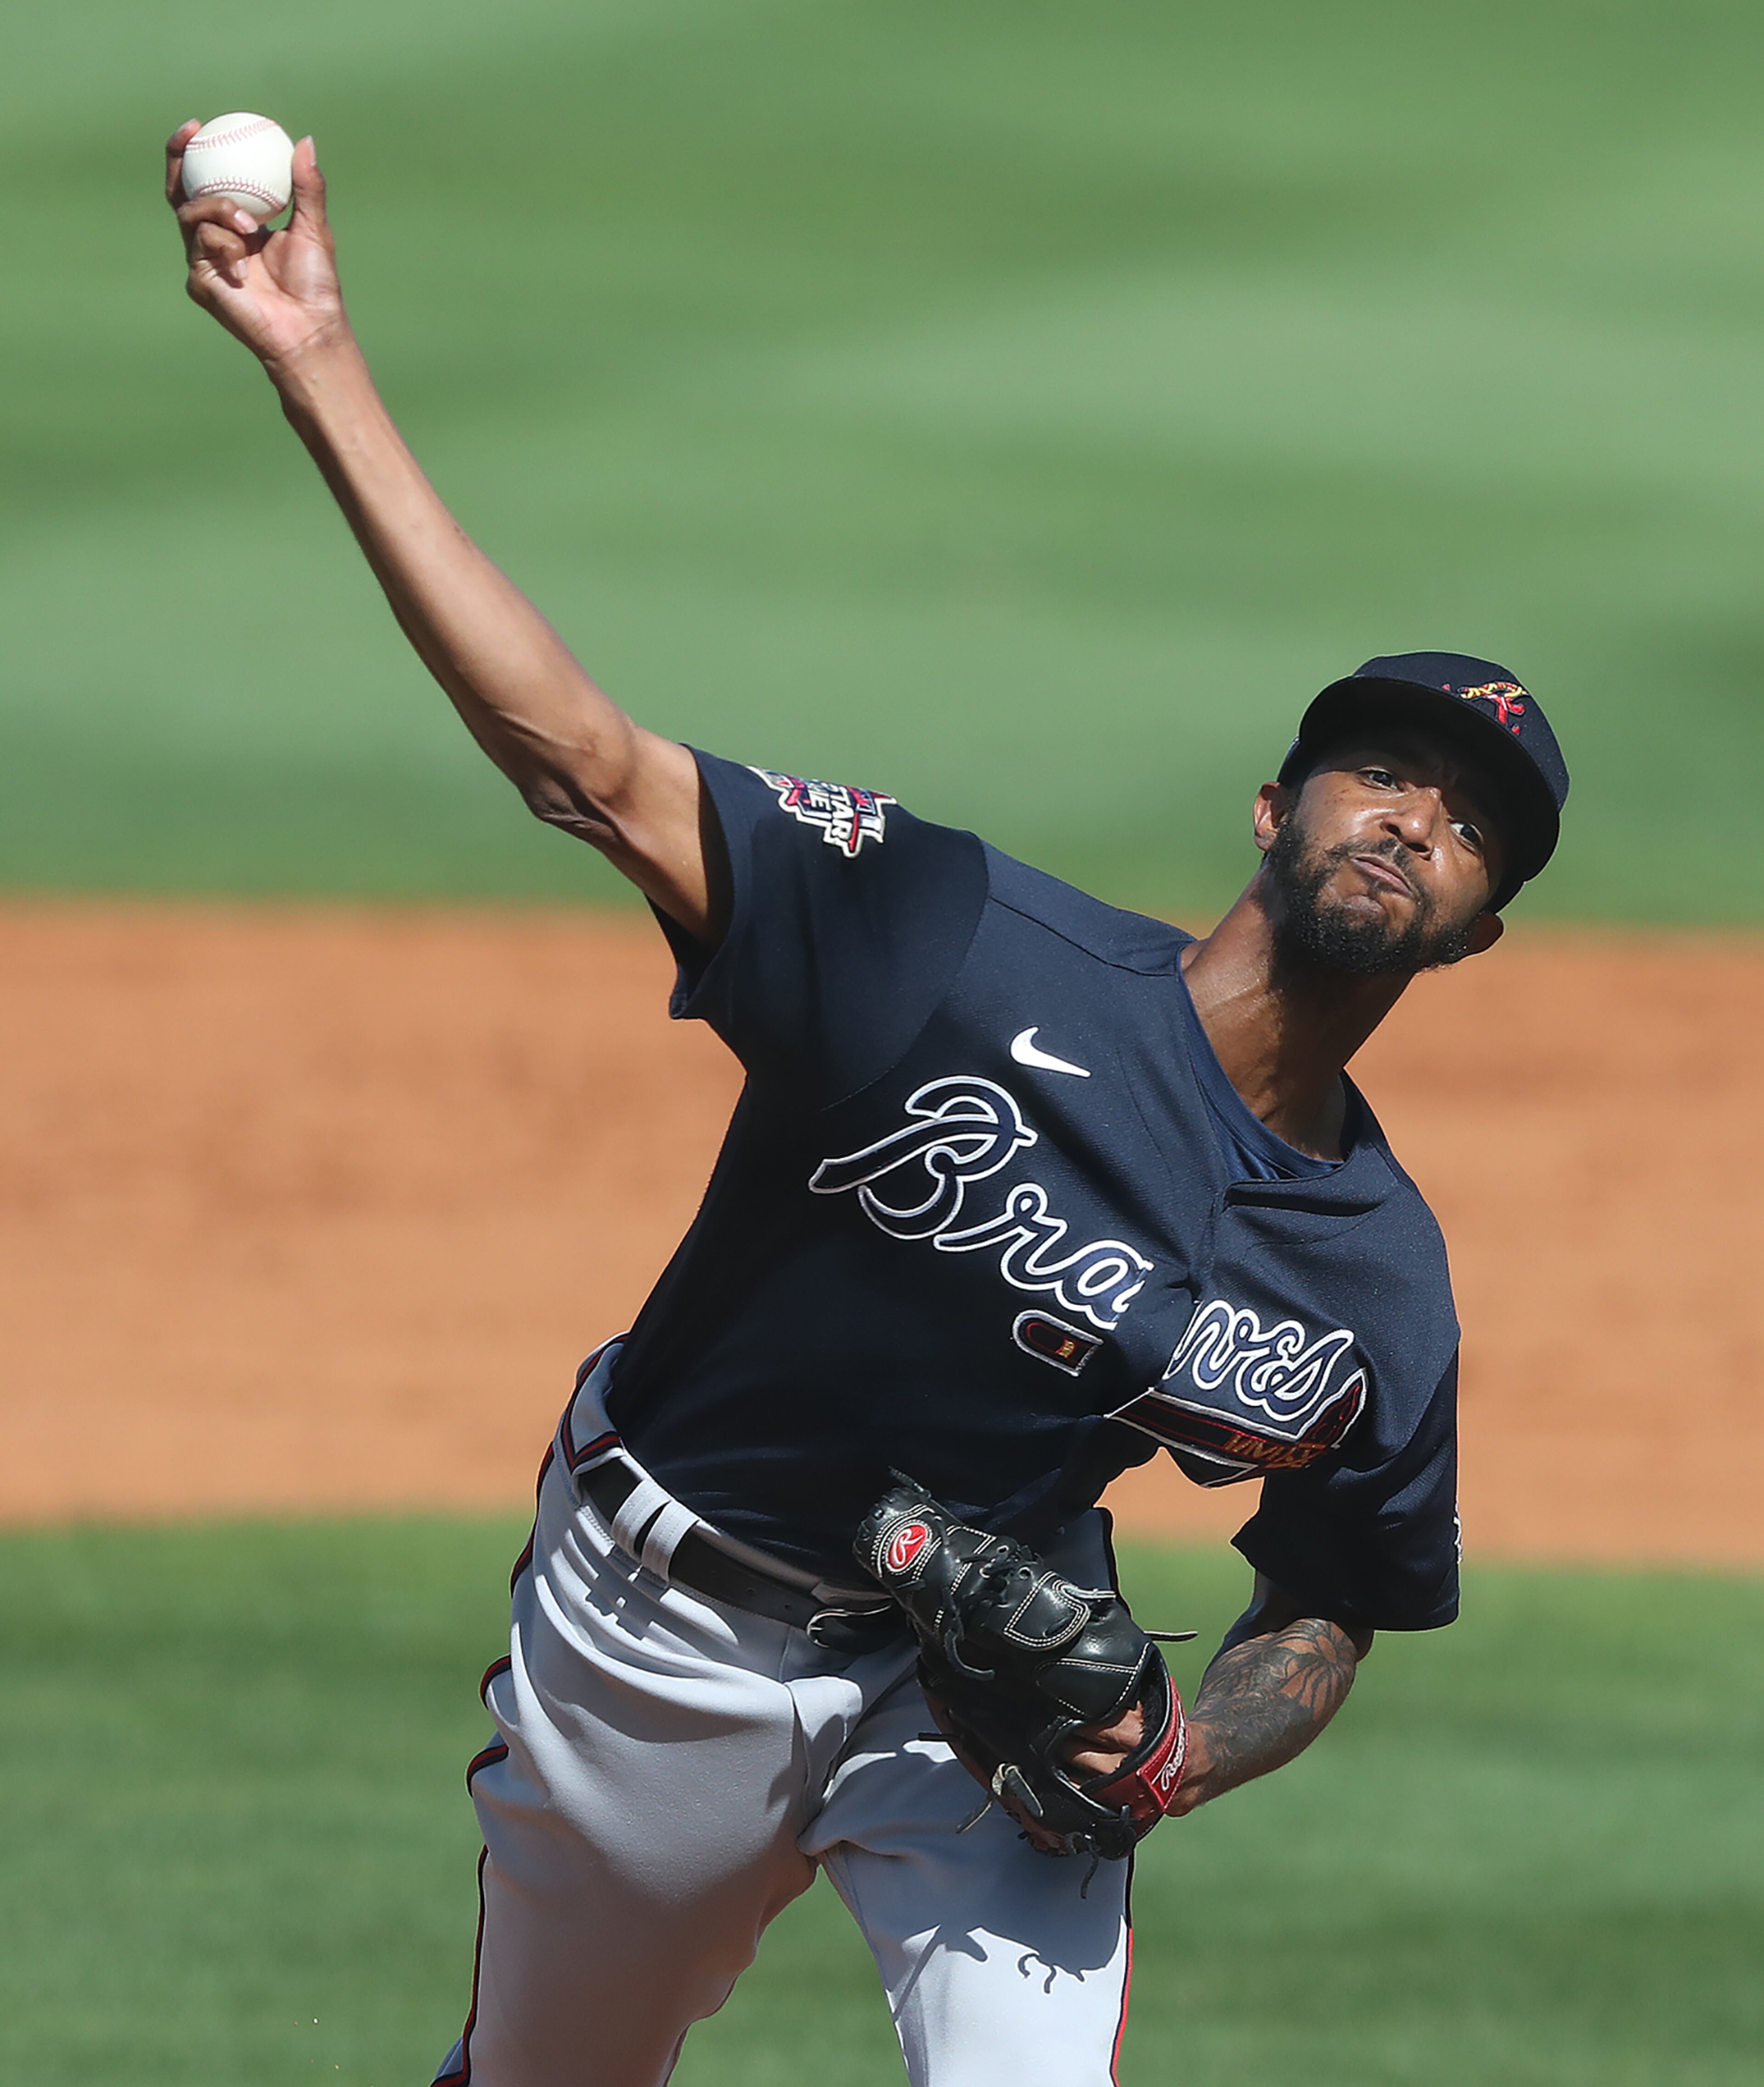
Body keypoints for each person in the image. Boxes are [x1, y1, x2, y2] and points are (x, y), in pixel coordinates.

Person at [168, 130, 1571, 2087]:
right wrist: (314, 362)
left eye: (1475, 822)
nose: (1422, 814)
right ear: (1277, 807)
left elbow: (1330, 1604)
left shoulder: (1371, 1267)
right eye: (1384, 771)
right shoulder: (951, 937)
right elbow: (585, 761)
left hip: (972, 1700)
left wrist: (1174, 1751)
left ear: (1484, 926)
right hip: (667, 1624)